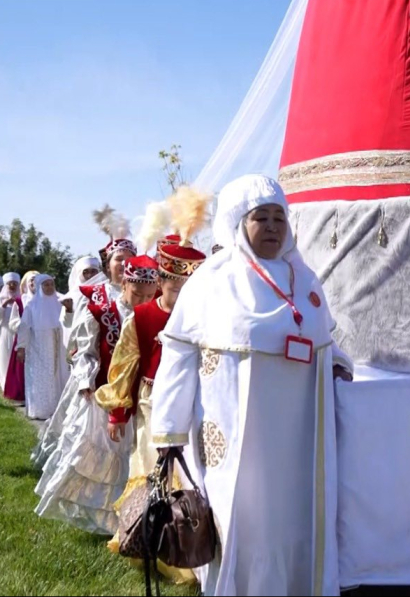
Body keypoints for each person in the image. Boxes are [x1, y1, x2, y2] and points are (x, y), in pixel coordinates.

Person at [150, 174, 353, 596]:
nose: (275, 226)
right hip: (238, 439)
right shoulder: (211, 283)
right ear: (238, 222)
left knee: (298, 520)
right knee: (243, 521)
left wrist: (338, 364)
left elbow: (326, 340)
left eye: (281, 216)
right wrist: (168, 432)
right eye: (263, 217)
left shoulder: (307, 282)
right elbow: (179, 355)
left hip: (300, 445)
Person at [96, 237, 206, 583]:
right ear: (161, 280)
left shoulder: (206, 316)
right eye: (174, 288)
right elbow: (125, 366)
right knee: (152, 472)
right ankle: (150, 543)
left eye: (187, 289)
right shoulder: (142, 318)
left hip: (196, 404)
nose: (180, 296)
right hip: (151, 404)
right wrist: (118, 412)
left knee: (190, 477)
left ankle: (190, 546)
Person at [35, 245, 157, 535]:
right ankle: (102, 518)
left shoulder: (152, 313)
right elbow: (86, 351)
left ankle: (128, 518)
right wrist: (86, 380)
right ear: (124, 283)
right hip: (104, 394)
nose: (142, 300)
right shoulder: (101, 308)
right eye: (136, 294)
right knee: (99, 457)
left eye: (149, 296)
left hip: (138, 398)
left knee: (133, 457)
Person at [32, 243, 128, 471]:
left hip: (131, 382)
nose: (124, 264)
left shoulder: (143, 291)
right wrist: (85, 377)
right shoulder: (95, 295)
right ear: (108, 264)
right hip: (97, 375)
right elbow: (82, 338)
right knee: (90, 441)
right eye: (119, 259)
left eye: (130, 258)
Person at [16, 275, 69, 420]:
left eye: (51, 284)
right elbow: (24, 327)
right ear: (39, 286)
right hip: (39, 348)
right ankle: (41, 409)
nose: (49, 287)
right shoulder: (32, 306)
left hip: (59, 345)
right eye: (46, 285)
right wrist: (21, 347)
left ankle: (59, 409)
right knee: (42, 378)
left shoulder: (60, 301)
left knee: (60, 374)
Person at [0, 273, 21, 392]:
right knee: (5, 359)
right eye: (10, 284)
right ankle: (6, 386)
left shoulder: (21, 297)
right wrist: (4, 304)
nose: (12, 286)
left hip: (18, 334)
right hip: (5, 333)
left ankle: (17, 387)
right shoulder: (1, 298)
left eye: (15, 283)